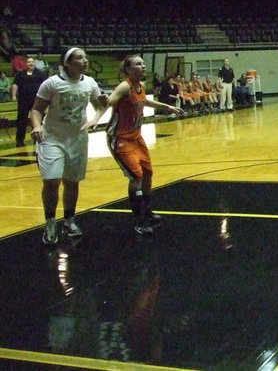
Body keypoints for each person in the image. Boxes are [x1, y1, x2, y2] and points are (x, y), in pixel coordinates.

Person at [29, 47, 108, 244]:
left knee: (72, 182)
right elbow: (36, 110)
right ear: (67, 62)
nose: (85, 60)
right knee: (52, 180)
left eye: (85, 57)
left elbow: (101, 104)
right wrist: (37, 126)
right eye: (80, 57)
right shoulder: (51, 83)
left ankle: (69, 220)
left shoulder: (90, 82)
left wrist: (95, 118)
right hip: (52, 138)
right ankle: (50, 222)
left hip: (77, 139)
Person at [99, 55, 183, 235]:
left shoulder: (141, 86)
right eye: (138, 63)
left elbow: (145, 101)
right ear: (128, 69)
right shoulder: (124, 86)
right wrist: (104, 100)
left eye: (143, 63)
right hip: (120, 138)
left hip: (137, 137)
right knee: (136, 176)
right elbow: (111, 101)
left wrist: (167, 107)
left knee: (147, 174)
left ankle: (147, 210)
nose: (143, 66)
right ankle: (139, 220)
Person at [11, 56, 47, 147]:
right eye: (29, 62)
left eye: (32, 62)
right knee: (21, 120)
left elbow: (46, 86)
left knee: (38, 120)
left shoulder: (40, 74)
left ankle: (38, 138)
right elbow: (15, 85)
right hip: (23, 100)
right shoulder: (20, 74)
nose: (31, 63)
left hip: (37, 100)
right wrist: (14, 95)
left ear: (34, 64)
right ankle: (19, 140)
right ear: (26, 64)